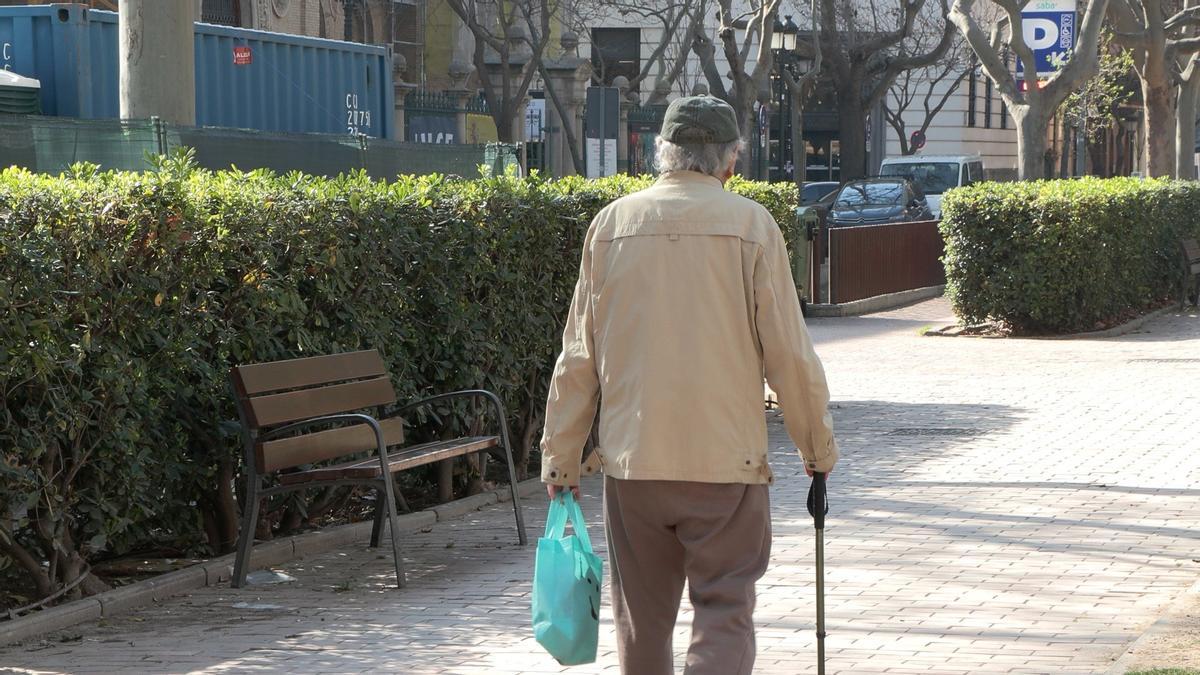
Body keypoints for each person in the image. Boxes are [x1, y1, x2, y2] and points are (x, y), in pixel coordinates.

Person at [539, 95, 839, 675]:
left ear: (663, 156)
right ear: (730, 162)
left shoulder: (611, 226)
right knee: (725, 610)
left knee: (642, 624)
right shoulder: (751, 226)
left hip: (634, 464)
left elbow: (578, 356)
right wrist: (816, 447)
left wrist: (561, 461)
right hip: (726, 466)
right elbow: (789, 354)